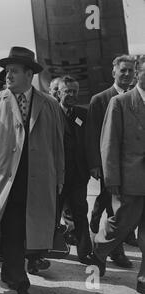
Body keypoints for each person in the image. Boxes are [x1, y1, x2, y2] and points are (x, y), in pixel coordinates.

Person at [0, 46, 64, 294]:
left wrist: (59, 179)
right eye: (6, 71)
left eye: (14, 71)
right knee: (12, 230)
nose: (8, 76)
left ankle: (12, 271)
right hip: (4, 181)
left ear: (29, 74)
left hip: (37, 181)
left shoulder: (49, 105)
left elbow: (58, 147)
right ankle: (20, 282)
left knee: (28, 232)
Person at [90, 56, 145, 294]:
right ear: (139, 74)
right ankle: (99, 250)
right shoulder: (120, 102)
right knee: (120, 225)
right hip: (130, 180)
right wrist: (112, 179)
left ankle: (143, 279)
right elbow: (109, 143)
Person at [86, 55, 137, 267]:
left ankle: (119, 235)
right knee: (114, 209)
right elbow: (92, 134)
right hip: (111, 166)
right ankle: (116, 252)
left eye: (130, 71)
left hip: (134, 167)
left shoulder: (139, 99)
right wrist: (95, 164)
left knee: (127, 207)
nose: (126, 74)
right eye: (122, 70)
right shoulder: (101, 99)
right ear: (113, 72)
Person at [56, 75, 92, 264]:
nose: (71, 94)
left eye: (74, 91)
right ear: (59, 92)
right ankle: (42, 251)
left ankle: (85, 252)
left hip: (78, 175)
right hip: (57, 175)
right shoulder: (52, 112)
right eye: (67, 91)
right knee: (53, 213)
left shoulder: (82, 114)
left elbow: (89, 142)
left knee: (80, 212)